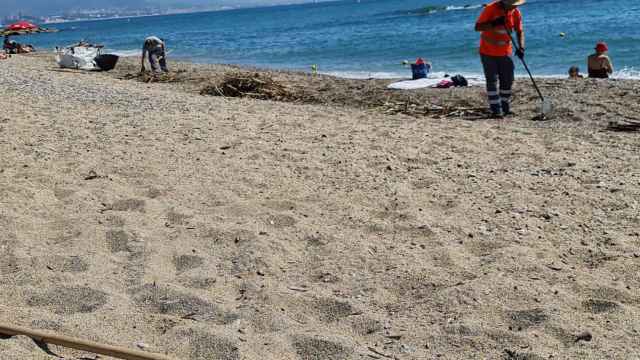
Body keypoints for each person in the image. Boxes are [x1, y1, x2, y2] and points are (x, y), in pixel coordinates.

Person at [475, 0, 526, 118]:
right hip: (487, 51)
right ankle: (496, 110)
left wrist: (521, 48)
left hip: (505, 51)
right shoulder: (490, 9)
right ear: (505, 3)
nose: (516, 6)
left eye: (517, 4)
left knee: (508, 79)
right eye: (514, 4)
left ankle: (505, 106)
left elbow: (520, 31)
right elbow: (477, 27)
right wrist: (494, 23)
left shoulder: (515, 12)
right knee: (492, 81)